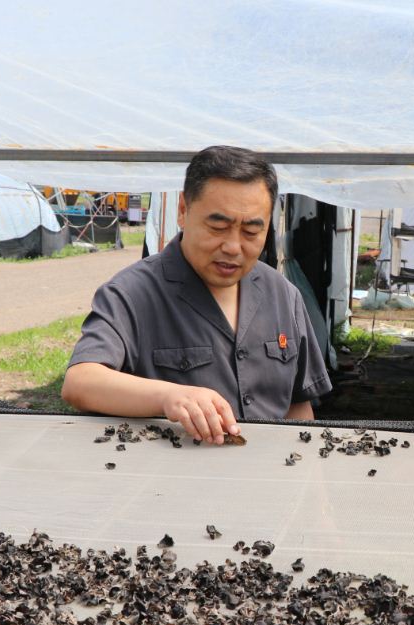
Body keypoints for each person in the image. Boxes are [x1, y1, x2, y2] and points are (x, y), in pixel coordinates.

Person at [62, 146, 331, 443]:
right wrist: (169, 396)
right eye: (218, 227)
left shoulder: (283, 295)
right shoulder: (132, 294)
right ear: (183, 210)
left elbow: (298, 405)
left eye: (251, 232)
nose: (233, 247)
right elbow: (81, 381)